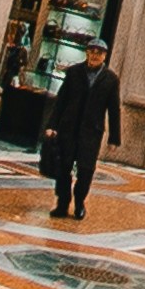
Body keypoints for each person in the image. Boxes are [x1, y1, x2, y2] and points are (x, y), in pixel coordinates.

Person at [41, 38, 122, 222]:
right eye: (92, 51)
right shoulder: (74, 72)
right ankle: (62, 203)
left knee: (86, 170)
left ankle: (79, 203)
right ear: (87, 52)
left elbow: (114, 109)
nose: (94, 55)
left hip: (91, 132)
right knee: (63, 166)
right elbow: (61, 100)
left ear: (104, 56)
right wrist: (52, 125)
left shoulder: (110, 79)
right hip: (68, 128)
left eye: (99, 53)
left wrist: (114, 138)